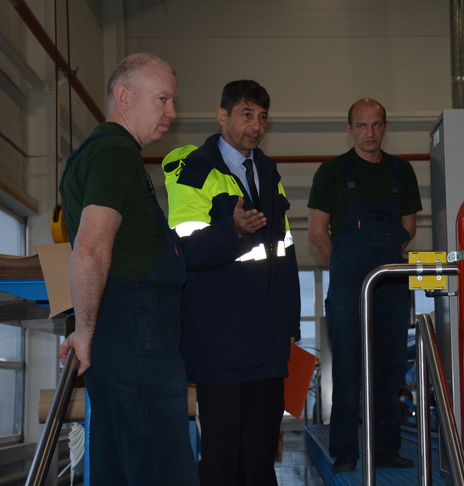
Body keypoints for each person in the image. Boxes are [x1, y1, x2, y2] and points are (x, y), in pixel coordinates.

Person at [58, 53, 199, 486]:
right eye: (162, 99)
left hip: (126, 330)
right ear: (123, 96)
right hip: (138, 332)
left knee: (118, 464)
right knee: (164, 466)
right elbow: (90, 248)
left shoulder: (97, 153)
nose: (171, 113)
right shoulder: (116, 154)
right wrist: (83, 330)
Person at [162, 80, 300, 486]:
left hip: (268, 342)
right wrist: (232, 230)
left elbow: (284, 254)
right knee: (222, 459)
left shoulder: (269, 173)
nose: (255, 125)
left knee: (260, 458)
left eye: (261, 116)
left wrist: (288, 326)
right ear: (222, 117)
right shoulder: (194, 170)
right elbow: (183, 252)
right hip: (219, 343)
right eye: (246, 114)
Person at [307, 98, 422, 473]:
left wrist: (381, 263)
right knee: (347, 369)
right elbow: (316, 232)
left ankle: (386, 449)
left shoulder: (401, 172)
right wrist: (345, 267)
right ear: (349, 129)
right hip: (347, 282)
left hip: (390, 282)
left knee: (389, 368)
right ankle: (345, 451)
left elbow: (407, 230)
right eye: (361, 126)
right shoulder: (331, 172)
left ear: (385, 127)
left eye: (376, 125)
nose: (369, 133)